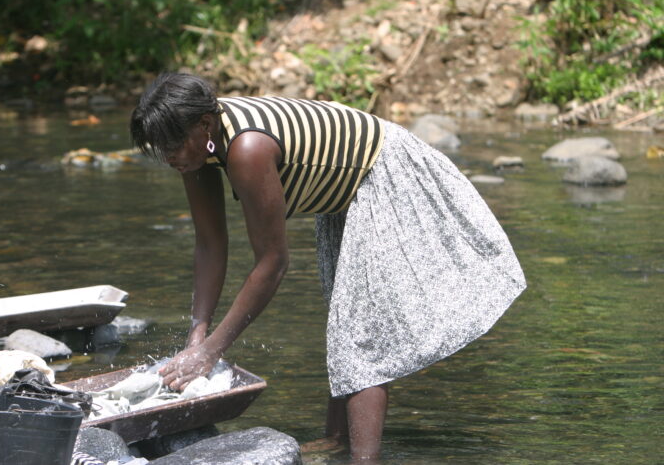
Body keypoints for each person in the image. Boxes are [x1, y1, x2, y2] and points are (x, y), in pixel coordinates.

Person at [129, 72, 526, 462]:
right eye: (160, 148)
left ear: (204, 124)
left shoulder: (248, 148)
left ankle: (363, 459)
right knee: (346, 323)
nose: (169, 157)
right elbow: (210, 244)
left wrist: (213, 351)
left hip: (383, 173)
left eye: (174, 145)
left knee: (360, 334)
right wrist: (196, 337)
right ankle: (337, 442)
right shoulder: (197, 147)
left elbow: (273, 262)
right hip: (342, 193)